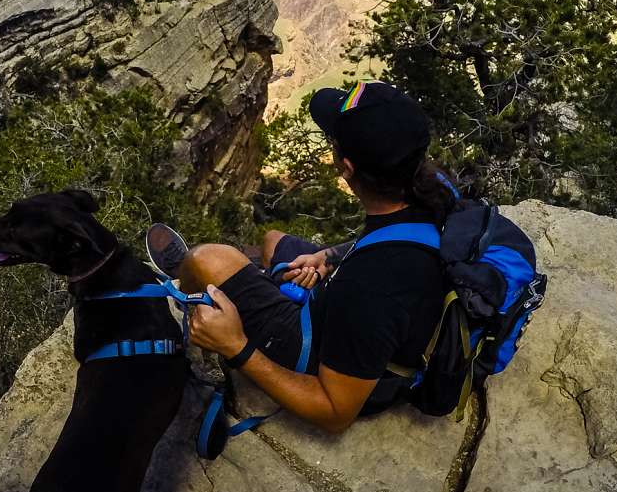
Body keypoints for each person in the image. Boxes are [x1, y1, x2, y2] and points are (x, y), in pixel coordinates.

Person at [145, 81, 457, 434]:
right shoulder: (436, 188)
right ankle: (247, 285)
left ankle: (187, 286)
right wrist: (330, 256)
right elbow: (394, 240)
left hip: (326, 348)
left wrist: (237, 346)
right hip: (354, 304)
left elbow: (335, 410)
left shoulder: (373, 285)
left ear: (347, 168)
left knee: (208, 260)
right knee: (274, 240)